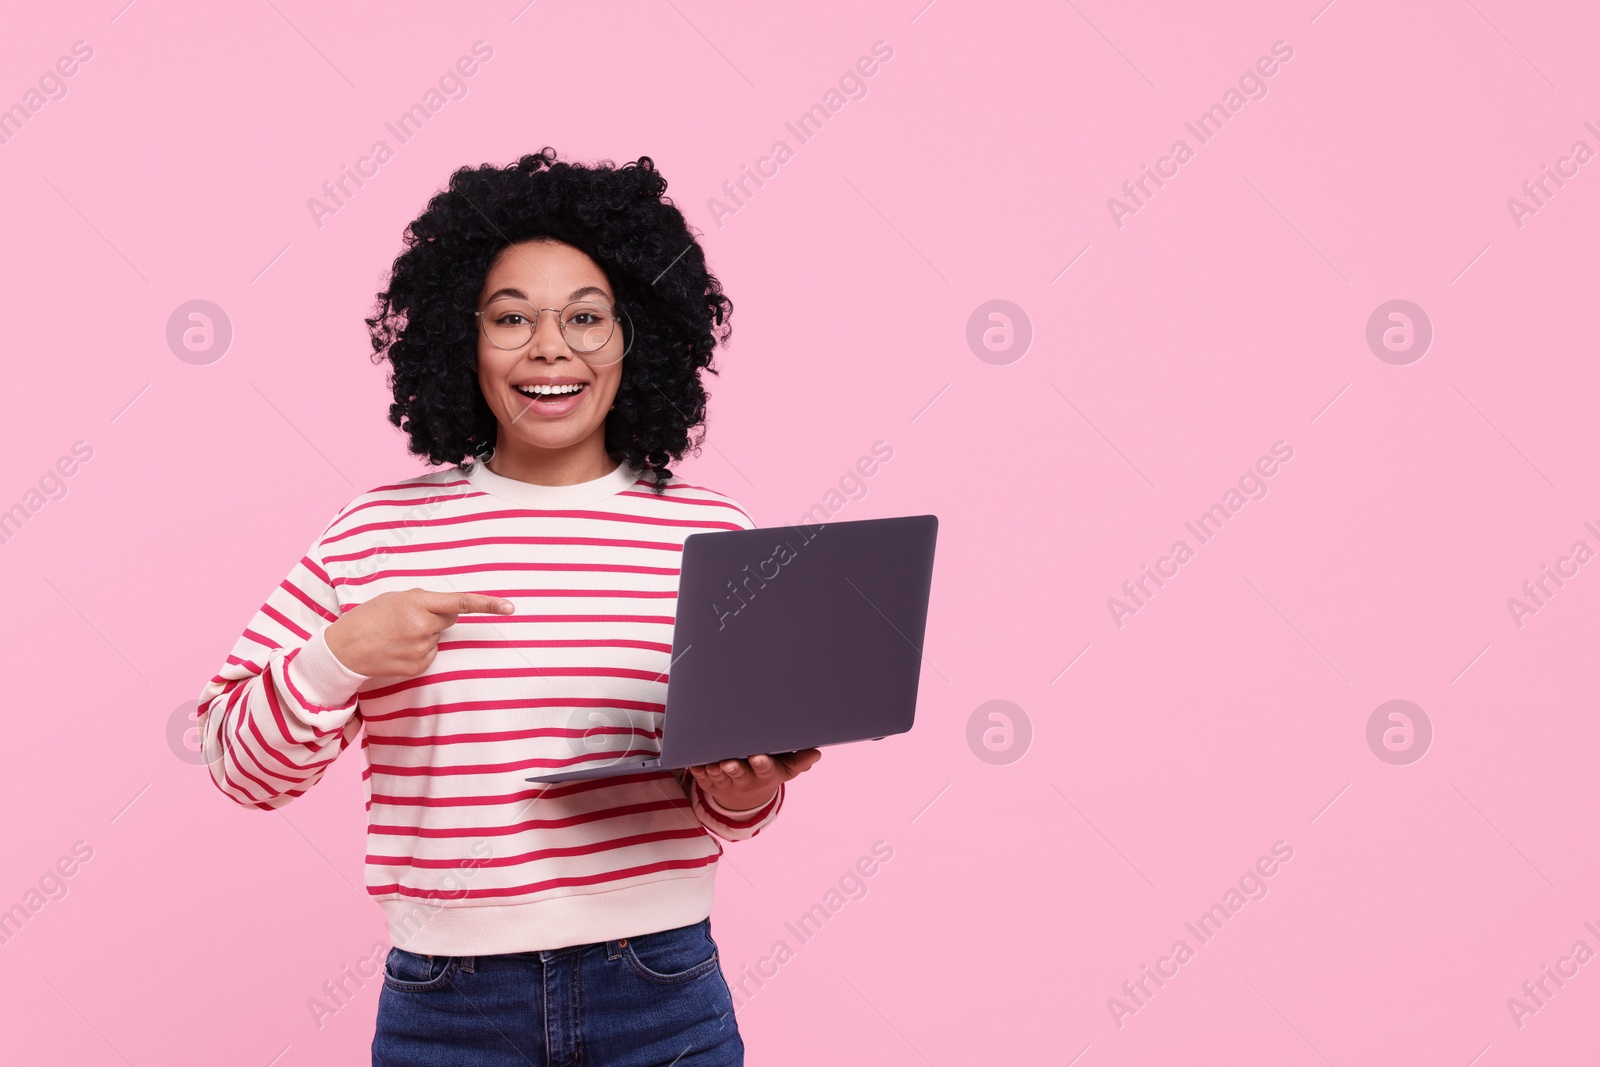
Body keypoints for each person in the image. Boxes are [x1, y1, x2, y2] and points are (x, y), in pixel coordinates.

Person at [195, 148, 821, 1066]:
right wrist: (337, 655)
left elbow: (737, 803)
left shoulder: (712, 534)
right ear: (461, 338)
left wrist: (745, 788)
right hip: (450, 1005)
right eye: (511, 317)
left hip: (663, 990)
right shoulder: (375, 533)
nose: (549, 347)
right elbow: (239, 766)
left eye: (585, 317)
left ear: (637, 335)